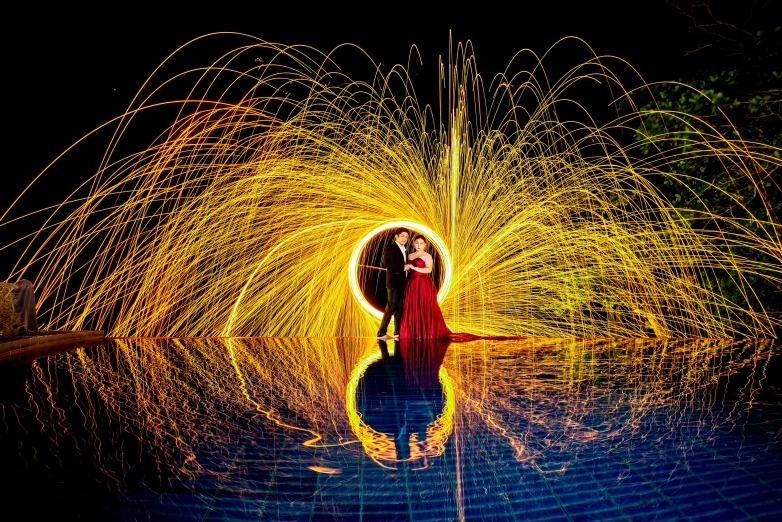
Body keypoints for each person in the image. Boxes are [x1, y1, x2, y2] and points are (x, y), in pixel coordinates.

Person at [399, 235, 452, 339]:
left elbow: (428, 270)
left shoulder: (427, 255)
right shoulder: (409, 255)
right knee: (412, 307)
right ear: (413, 243)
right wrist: (401, 268)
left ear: (425, 245)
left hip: (423, 284)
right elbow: (409, 270)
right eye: (417, 243)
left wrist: (413, 267)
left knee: (424, 306)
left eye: (421, 243)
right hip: (411, 284)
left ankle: (426, 332)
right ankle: (413, 333)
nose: (419, 245)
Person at [376, 229, 410, 340]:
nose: (404, 238)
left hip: (402, 283)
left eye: (406, 237)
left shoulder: (404, 250)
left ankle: (397, 333)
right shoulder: (390, 248)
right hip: (393, 283)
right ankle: (381, 333)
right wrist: (403, 267)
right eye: (402, 236)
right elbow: (388, 263)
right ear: (396, 236)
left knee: (400, 307)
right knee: (391, 306)